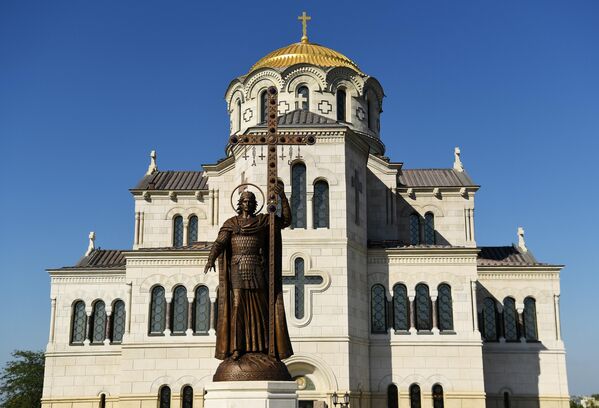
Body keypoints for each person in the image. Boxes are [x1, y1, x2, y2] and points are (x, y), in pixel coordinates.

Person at [204, 184, 293, 361]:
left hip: (256, 267)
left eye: (251, 201)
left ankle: (263, 347)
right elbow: (220, 243)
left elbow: (285, 221)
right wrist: (210, 259)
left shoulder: (263, 221)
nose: (248, 204)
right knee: (238, 307)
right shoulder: (231, 223)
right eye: (245, 201)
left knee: (260, 307)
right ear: (240, 203)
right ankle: (237, 347)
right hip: (237, 267)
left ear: (255, 204)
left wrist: (282, 196)